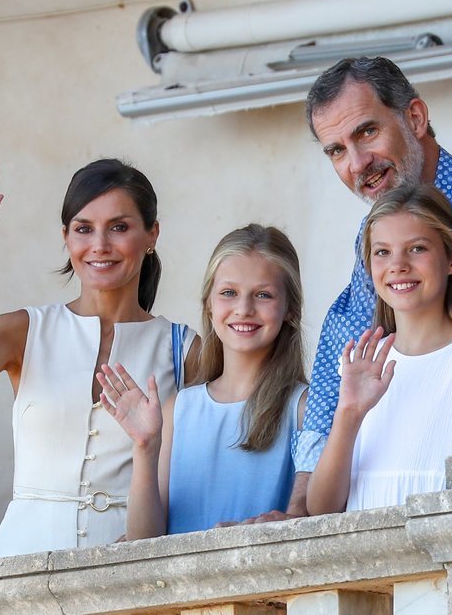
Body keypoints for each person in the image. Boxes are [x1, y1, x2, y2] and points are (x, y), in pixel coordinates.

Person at [0, 157, 197, 557]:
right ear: (66, 237)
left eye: (119, 227)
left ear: (151, 234)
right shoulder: (25, 330)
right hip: (19, 565)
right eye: (84, 229)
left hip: (129, 570)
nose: (100, 245)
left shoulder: (185, 348)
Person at [292, 56, 452, 504]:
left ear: (415, 118)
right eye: (336, 150)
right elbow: (345, 342)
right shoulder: (370, 230)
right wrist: (299, 507)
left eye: (366, 132)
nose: (358, 163)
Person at [97, 224, 308, 538]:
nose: (244, 309)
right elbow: (143, 542)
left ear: (290, 308)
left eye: (263, 294)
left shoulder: (304, 407)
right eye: (228, 293)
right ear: (209, 305)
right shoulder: (178, 409)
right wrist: (145, 447)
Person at [307, 184, 452, 514]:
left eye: (416, 249)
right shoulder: (361, 366)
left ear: (451, 260)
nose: (398, 265)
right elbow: (321, 509)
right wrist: (349, 412)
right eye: (382, 252)